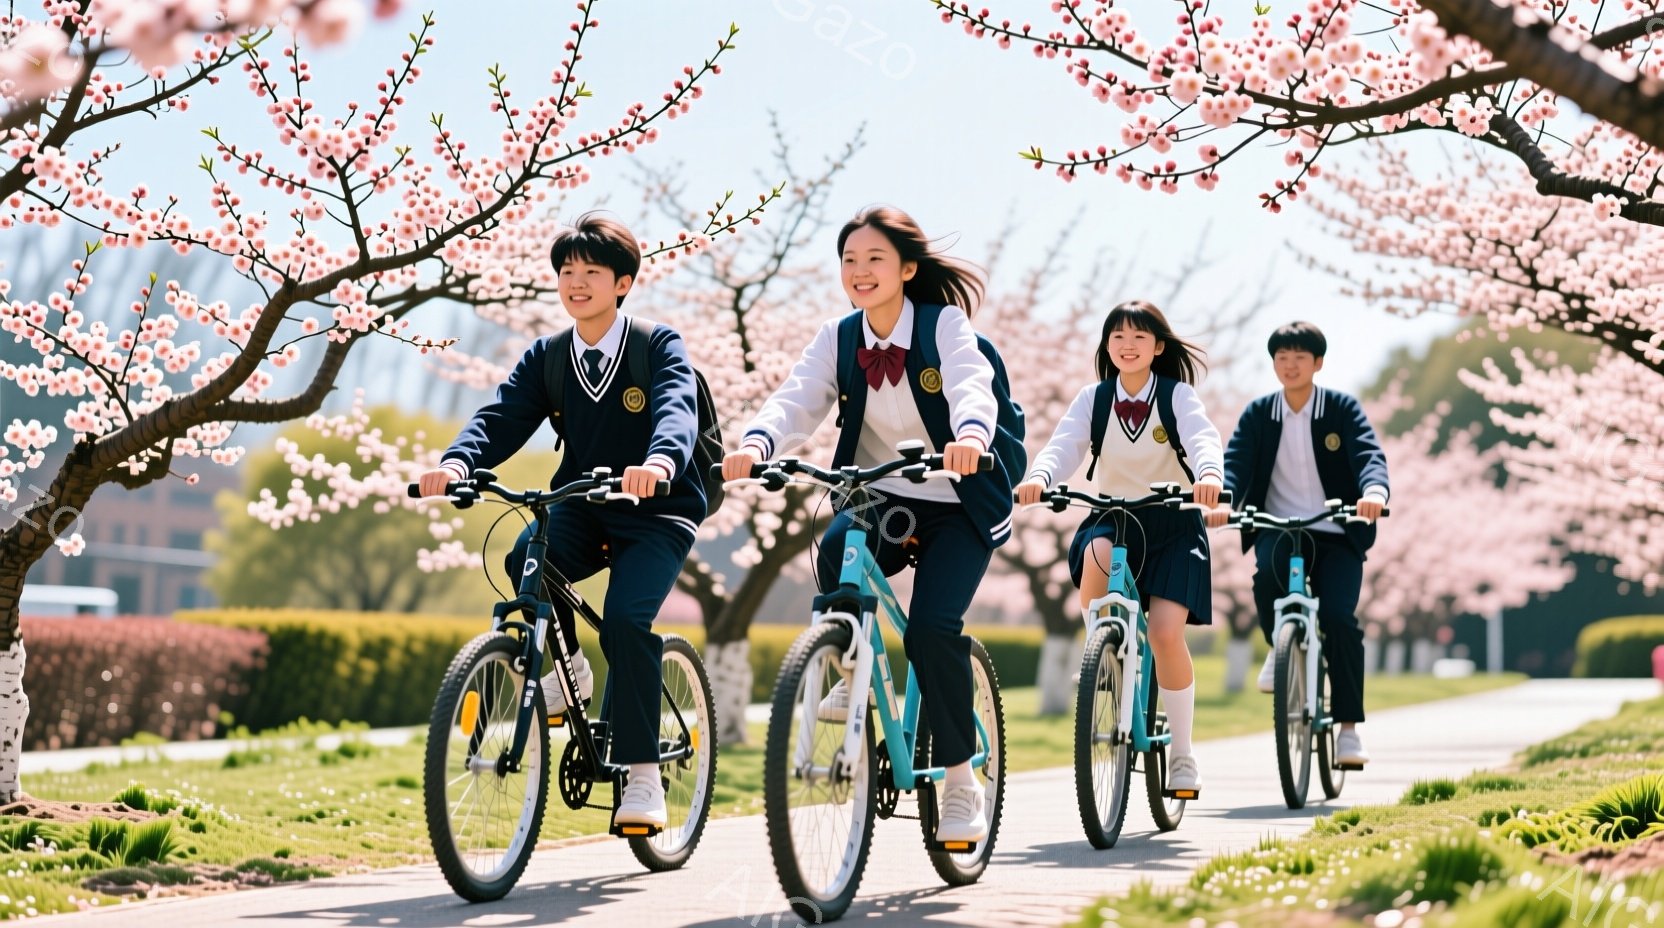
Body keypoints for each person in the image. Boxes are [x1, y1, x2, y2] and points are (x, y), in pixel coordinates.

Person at [721, 206, 1010, 844]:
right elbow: (797, 397)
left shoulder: (943, 325)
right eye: (849, 260)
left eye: (875, 258)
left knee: (932, 629)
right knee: (836, 550)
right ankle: (850, 664)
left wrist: (970, 435)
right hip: (881, 494)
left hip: (958, 500)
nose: (859, 270)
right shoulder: (839, 336)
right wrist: (759, 442)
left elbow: (972, 383)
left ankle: (960, 781)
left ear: (907, 269)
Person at [416, 212, 706, 827]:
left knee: (625, 621)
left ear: (622, 283)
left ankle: (643, 777)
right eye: (567, 271)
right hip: (584, 501)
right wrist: (458, 462)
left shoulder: (656, 345)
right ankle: (569, 666)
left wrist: (660, 460)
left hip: (657, 510)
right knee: (525, 556)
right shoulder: (549, 357)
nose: (576, 282)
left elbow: (676, 408)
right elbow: (502, 417)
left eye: (591, 272)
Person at [1015, 300, 1225, 795]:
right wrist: (1040, 476)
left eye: (1138, 337)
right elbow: (1064, 445)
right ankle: (1104, 658)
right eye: (1118, 337)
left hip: (1173, 523)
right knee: (1096, 555)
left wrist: (1210, 475)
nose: (1127, 346)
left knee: (1166, 634)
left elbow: (1202, 439)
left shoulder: (1176, 396)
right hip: (1113, 515)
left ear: (1158, 347)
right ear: (1106, 346)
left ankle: (1182, 753)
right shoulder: (1094, 398)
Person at [1207, 321, 1388, 767]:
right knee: (1266, 580)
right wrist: (1224, 501)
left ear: (1317, 363)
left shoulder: (1341, 409)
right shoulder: (1259, 414)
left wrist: (1374, 492)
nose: (1290, 366)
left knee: (1338, 619)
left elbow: (1368, 455)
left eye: (1299, 358)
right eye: (1282, 358)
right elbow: (1236, 463)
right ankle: (1279, 646)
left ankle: (1348, 731)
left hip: (1336, 531)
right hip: (1280, 528)